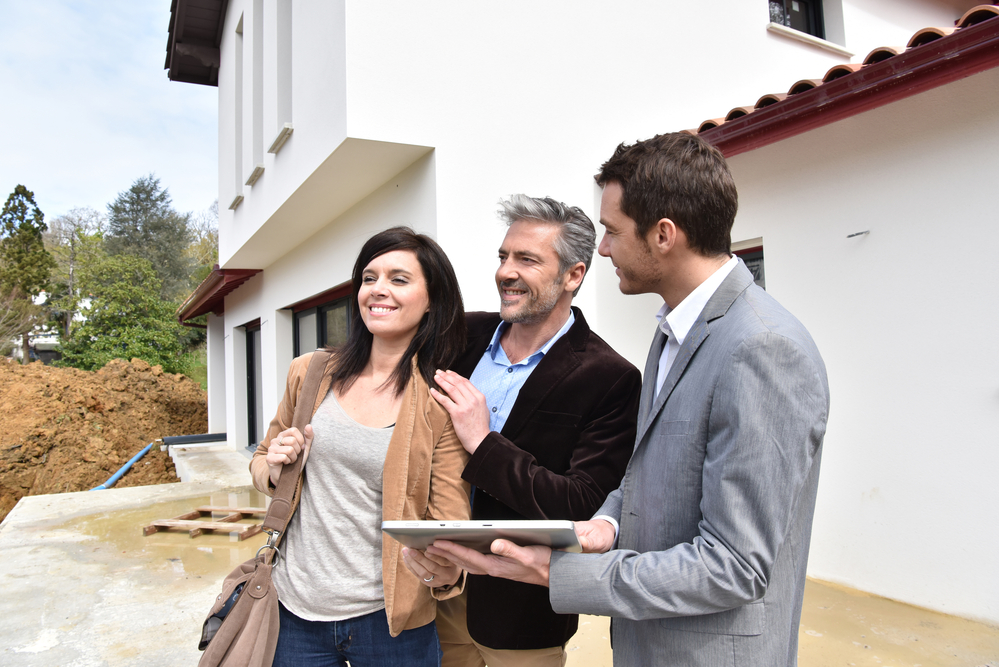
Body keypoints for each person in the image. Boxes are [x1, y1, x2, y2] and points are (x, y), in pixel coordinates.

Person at [427, 134, 831, 667]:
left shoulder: (762, 347)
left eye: (613, 231)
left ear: (663, 235)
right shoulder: (674, 333)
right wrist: (611, 522)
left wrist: (561, 571)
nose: (603, 248)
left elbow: (735, 566)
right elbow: (653, 475)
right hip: (650, 642)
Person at [401, 195, 641, 667]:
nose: (505, 272)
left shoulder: (610, 377)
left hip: (520, 615)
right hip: (432, 592)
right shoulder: (457, 337)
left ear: (573, 275)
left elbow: (578, 507)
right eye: (503, 256)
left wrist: (482, 441)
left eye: (527, 259)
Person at [250, 226, 472, 667]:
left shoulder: (440, 403)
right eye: (369, 278)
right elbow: (262, 461)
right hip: (294, 610)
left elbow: (451, 520)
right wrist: (275, 469)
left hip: (391, 621)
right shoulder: (310, 373)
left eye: (399, 279)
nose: (378, 290)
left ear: (433, 299)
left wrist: (449, 572)